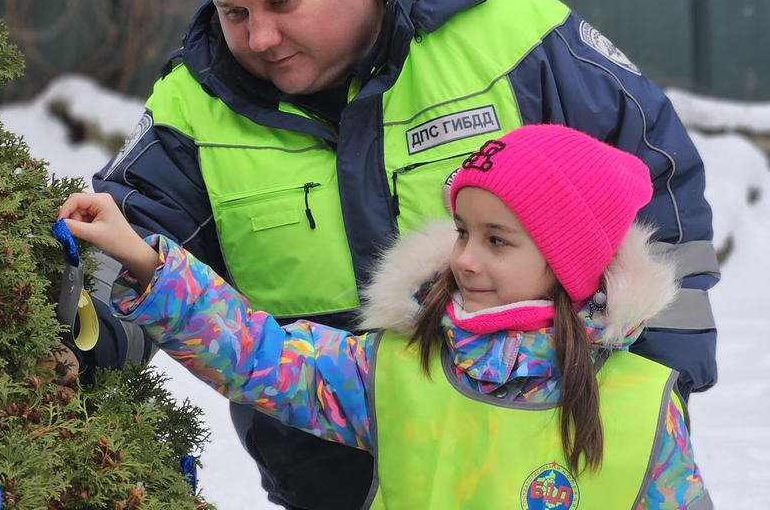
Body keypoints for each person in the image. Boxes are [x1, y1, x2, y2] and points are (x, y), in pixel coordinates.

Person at [89, 0, 719, 509]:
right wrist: (86, 330)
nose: (260, 36)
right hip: (323, 484)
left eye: (281, 1)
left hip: (569, 465)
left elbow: (661, 197)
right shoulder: (189, 108)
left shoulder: (516, 39)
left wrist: (654, 389)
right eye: (232, 13)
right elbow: (125, 253)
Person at [62, 124, 711, 509]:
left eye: (498, 240)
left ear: (567, 266)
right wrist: (146, 265)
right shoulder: (397, 368)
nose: (466, 259)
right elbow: (261, 358)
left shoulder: (640, 403)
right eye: (462, 231)